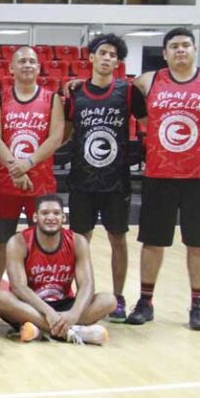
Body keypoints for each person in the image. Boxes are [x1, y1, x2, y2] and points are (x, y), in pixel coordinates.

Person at [126, 28, 200, 331]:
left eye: (185, 45)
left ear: (194, 49)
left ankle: (198, 305)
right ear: (164, 53)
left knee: (198, 245)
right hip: (159, 174)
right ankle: (146, 301)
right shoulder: (148, 81)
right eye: (173, 46)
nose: (180, 50)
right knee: (152, 241)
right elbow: (112, 88)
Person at [63, 34, 147, 322]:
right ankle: (82, 294)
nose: (108, 58)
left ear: (118, 61)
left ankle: (119, 297)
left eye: (113, 55)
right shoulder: (75, 93)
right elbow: (64, 133)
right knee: (80, 240)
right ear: (92, 57)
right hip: (82, 179)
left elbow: (148, 127)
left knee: (118, 238)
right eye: (103, 53)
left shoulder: (127, 91)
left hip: (116, 179)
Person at [0, 47, 64, 313]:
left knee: (41, 242)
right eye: (22, 61)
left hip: (41, 184)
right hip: (5, 183)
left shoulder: (52, 99)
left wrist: (27, 165)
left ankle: (42, 293)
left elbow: (55, 138)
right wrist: (14, 170)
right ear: (11, 68)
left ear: (39, 68)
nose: (27, 65)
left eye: (32, 61)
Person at [0, 194, 116, 345]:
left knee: (108, 300)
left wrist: (74, 313)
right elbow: (19, 287)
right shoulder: (18, 241)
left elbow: (87, 284)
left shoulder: (77, 241)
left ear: (63, 218)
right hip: (31, 305)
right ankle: (72, 331)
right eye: (45, 213)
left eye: (56, 213)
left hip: (64, 304)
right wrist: (48, 312)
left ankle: (41, 329)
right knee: (0, 298)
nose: (51, 217)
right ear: (35, 217)